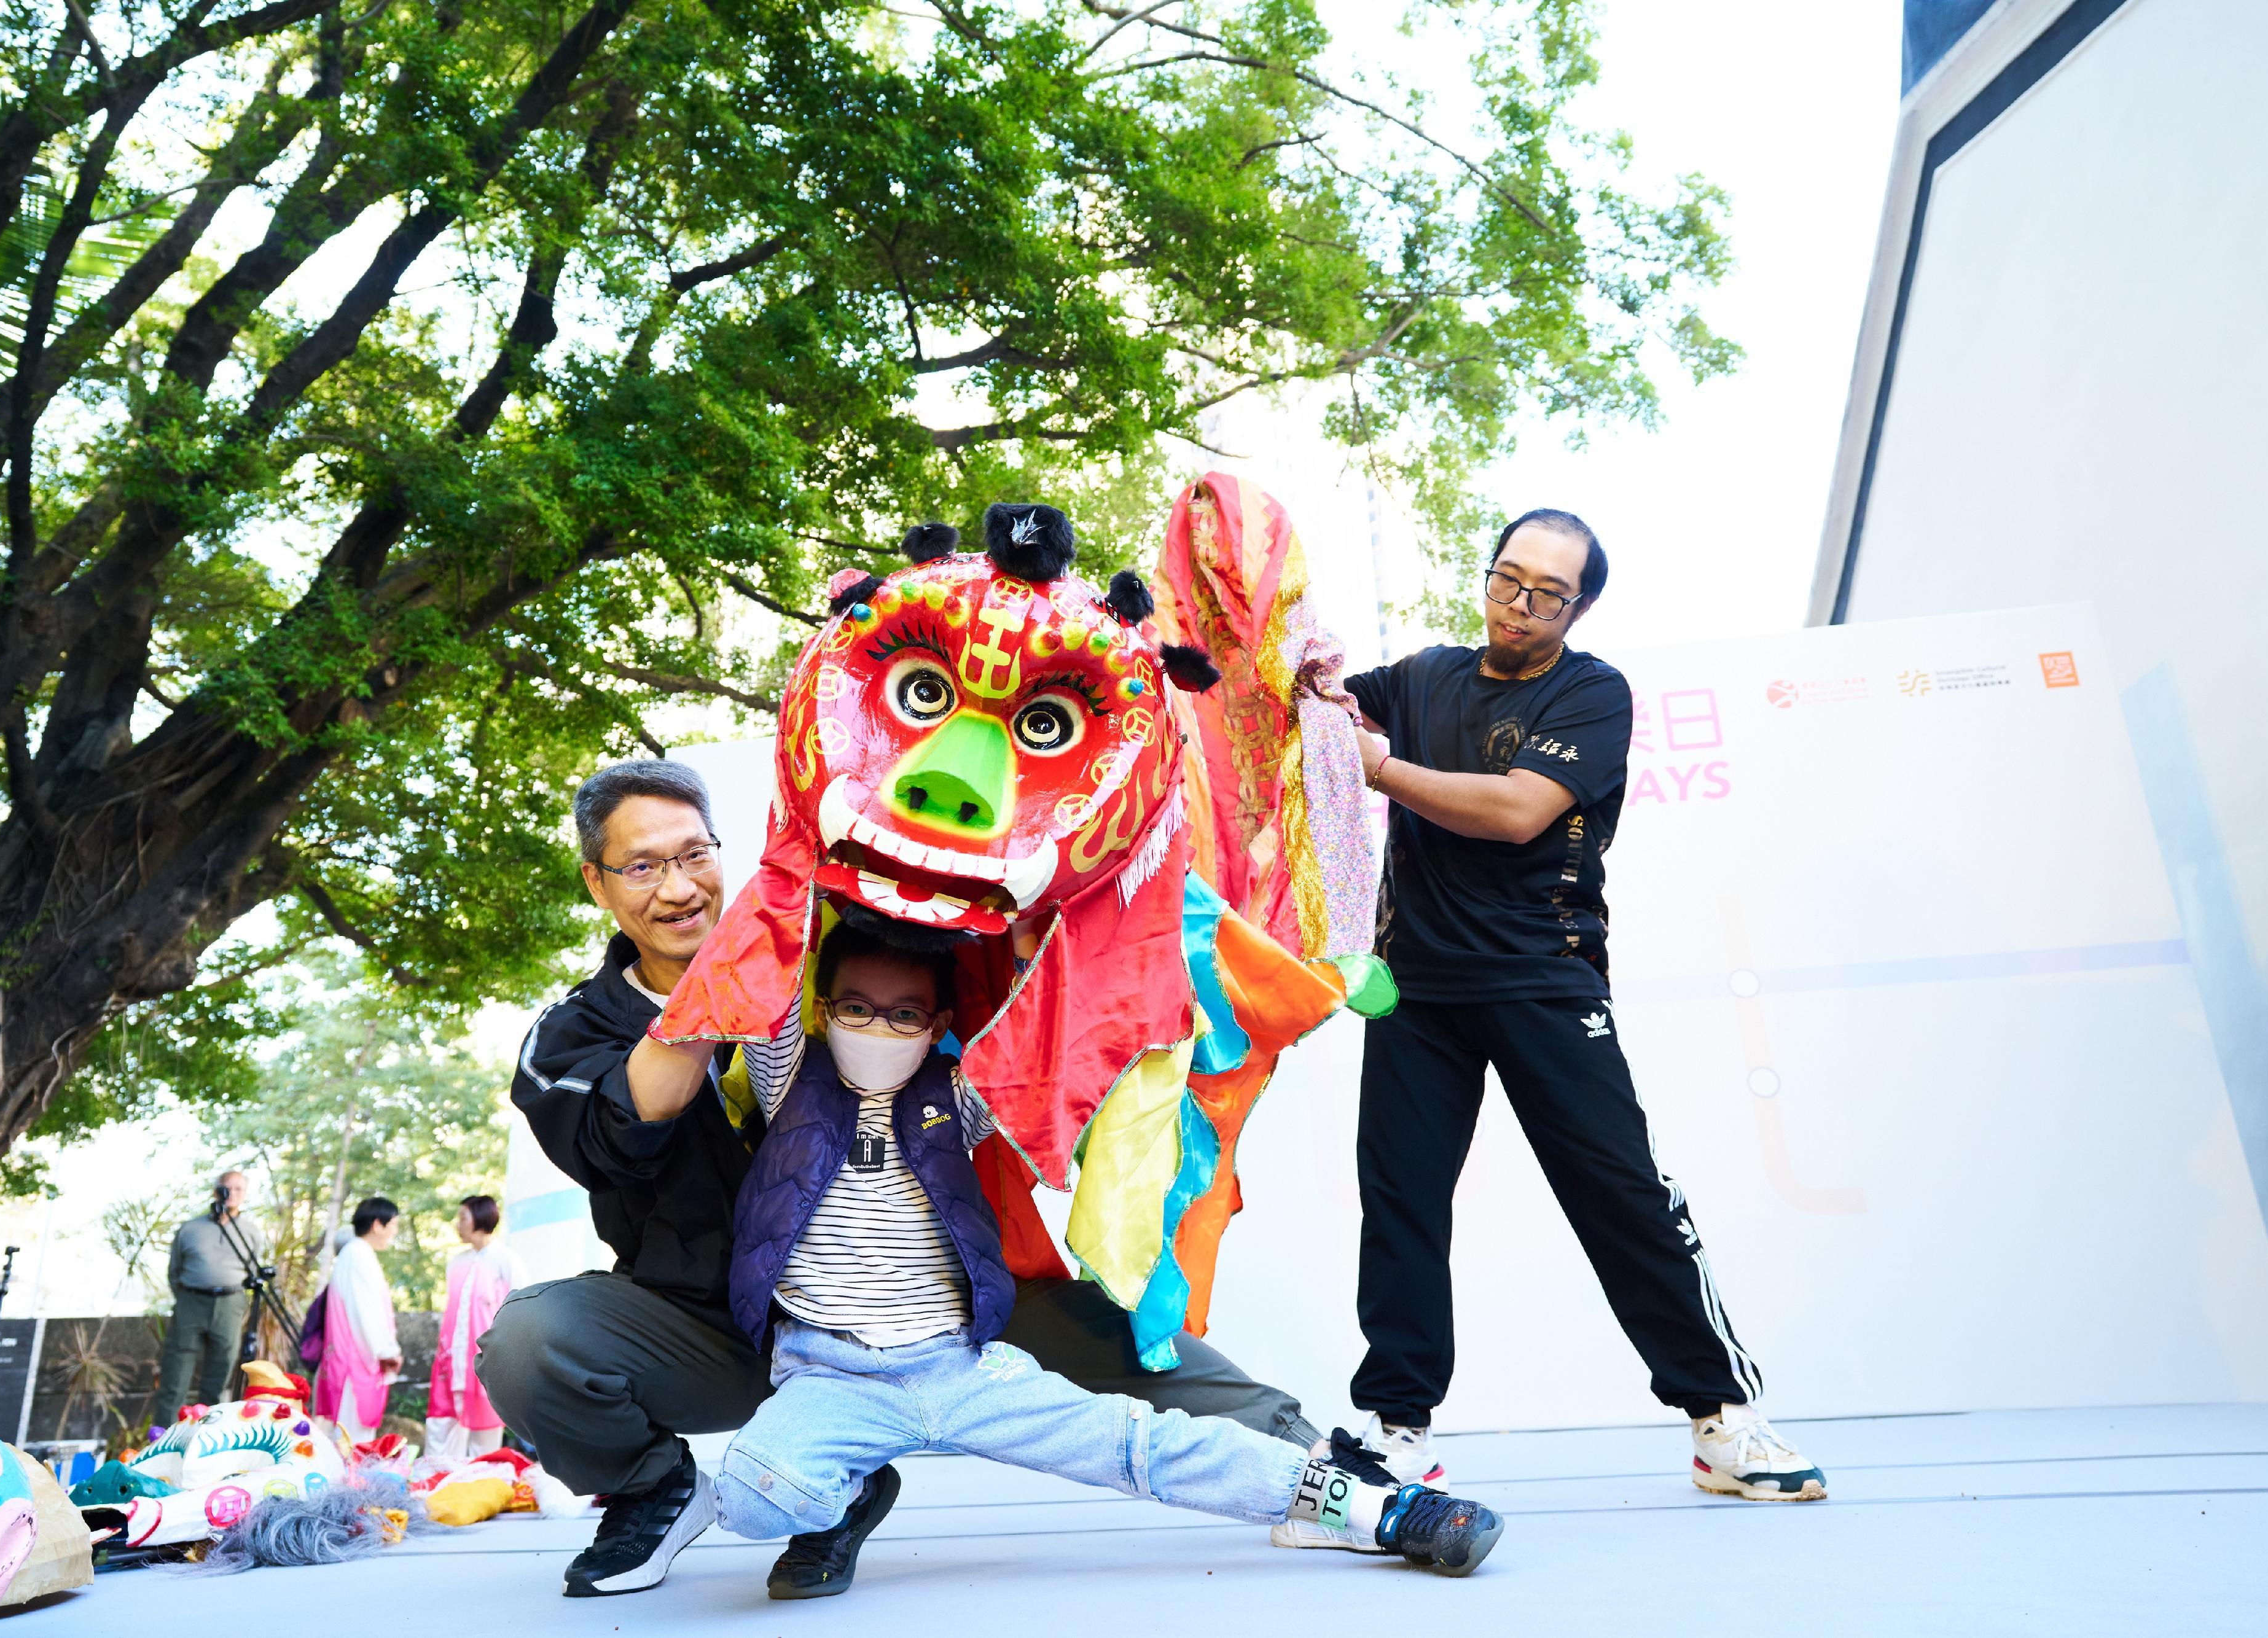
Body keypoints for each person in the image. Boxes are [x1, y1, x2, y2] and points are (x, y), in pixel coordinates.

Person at [482, 759, 1320, 1602]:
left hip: (931, 1299)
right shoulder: (576, 1029)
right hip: (733, 1329)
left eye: (694, 853)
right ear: (596, 879)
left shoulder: (826, 945)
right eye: (641, 865)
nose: (677, 886)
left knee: (1121, 1337)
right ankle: (655, 1488)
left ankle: (1314, 1455)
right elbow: (628, 1125)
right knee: (529, 1338)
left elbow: (981, 938)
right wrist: (737, 967)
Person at [636, 919, 1504, 1588]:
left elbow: (1036, 1035)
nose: (878, 1026)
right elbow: (769, 971)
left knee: (1146, 1445)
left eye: (904, 1013)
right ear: (825, 1009)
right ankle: (851, 1486)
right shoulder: (791, 1079)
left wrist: (1027, 943)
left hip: (960, 1369)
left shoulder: (956, 1094)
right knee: (751, 1494)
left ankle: (1386, 1510)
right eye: (856, 1006)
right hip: (830, 1377)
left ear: (935, 1022)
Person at [1320, 509, 1825, 1508]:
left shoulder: (1592, 694)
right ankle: (1397, 1427)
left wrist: (1376, 769)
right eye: (1508, 578)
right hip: (1416, 986)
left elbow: (1515, 812)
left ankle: (1720, 1416)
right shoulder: (1422, 678)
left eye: (1547, 592)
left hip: (1542, 978)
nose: (1519, 604)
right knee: (1401, 1203)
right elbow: (1310, 705)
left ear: (1579, 604)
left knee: (1623, 1195)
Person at [151, 1169, 270, 1427]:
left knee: (218, 1378)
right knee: (175, 1378)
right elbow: (175, 1271)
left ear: (245, 1195)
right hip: (191, 1302)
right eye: (228, 1188)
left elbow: (253, 1268)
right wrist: (186, 1298)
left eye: (239, 1190)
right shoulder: (191, 1229)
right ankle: (162, 1440)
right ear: (217, 1191)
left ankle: (206, 1441)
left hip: (230, 1304)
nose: (233, 1194)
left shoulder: (250, 1231)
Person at [427, 1195, 522, 1462]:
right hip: (452, 1356)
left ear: (481, 1219)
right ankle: (439, 1478)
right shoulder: (456, 1263)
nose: (458, 1225)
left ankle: (484, 1484)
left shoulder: (506, 1260)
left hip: (486, 1355)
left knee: (486, 1424)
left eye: (463, 1218)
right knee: (443, 1420)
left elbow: (519, 1305)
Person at [315, 1196, 402, 1443]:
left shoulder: (354, 1254)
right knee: (351, 1441)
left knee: (347, 1437)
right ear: (378, 1225)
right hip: (355, 1360)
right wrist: (388, 1350)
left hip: (348, 1357)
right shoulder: (359, 1255)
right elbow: (367, 1311)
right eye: (393, 1225)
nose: (394, 1232)